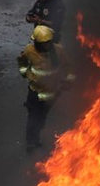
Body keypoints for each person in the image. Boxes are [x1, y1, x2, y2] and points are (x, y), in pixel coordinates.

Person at [18, 25, 72, 153]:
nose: (45, 46)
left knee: (42, 116)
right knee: (33, 116)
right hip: (35, 91)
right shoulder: (29, 51)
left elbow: (68, 66)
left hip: (51, 92)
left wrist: (68, 81)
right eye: (42, 44)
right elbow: (22, 63)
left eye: (47, 43)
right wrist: (26, 74)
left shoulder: (58, 51)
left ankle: (36, 137)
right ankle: (31, 141)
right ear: (36, 42)